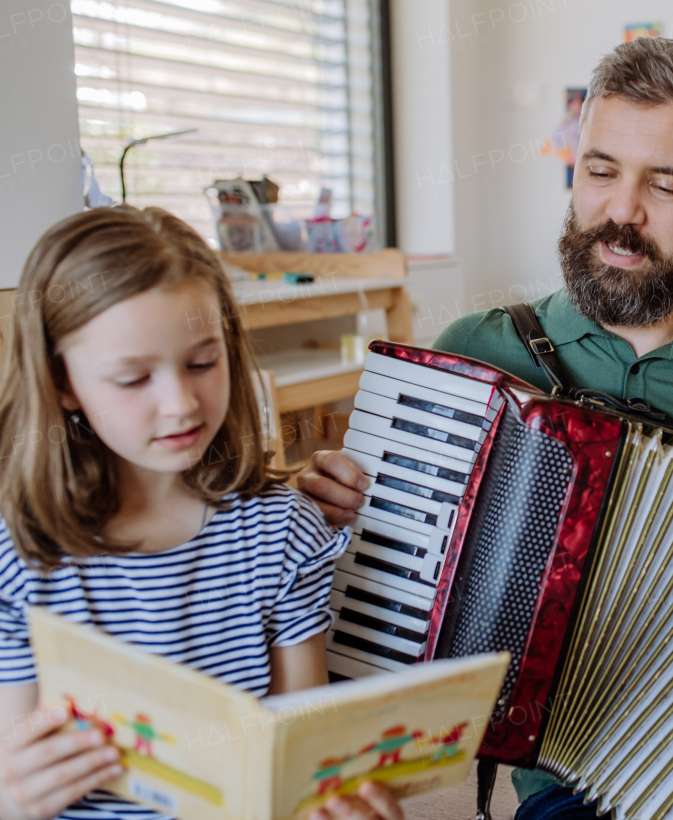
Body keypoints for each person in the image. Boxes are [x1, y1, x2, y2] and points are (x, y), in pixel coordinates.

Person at [295, 37, 673, 819]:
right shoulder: (474, 354)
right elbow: (381, 590)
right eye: (601, 170)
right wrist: (333, 521)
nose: (622, 212)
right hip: (564, 782)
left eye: (666, 184)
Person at [0, 207, 401, 820]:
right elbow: (20, 760)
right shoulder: (22, 555)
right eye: (133, 378)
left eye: (201, 362)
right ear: (63, 383)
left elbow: (299, 755)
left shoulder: (281, 533)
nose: (181, 404)